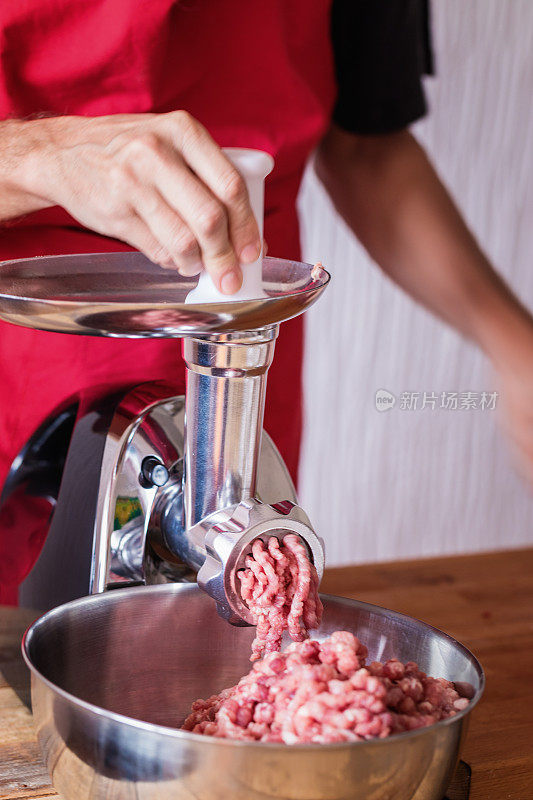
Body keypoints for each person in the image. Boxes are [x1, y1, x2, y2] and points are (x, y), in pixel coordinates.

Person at [0, 0, 532, 603]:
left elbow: (367, 149)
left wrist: (516, 348)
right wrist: (34, 156)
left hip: (240, 353)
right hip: (19, 361)